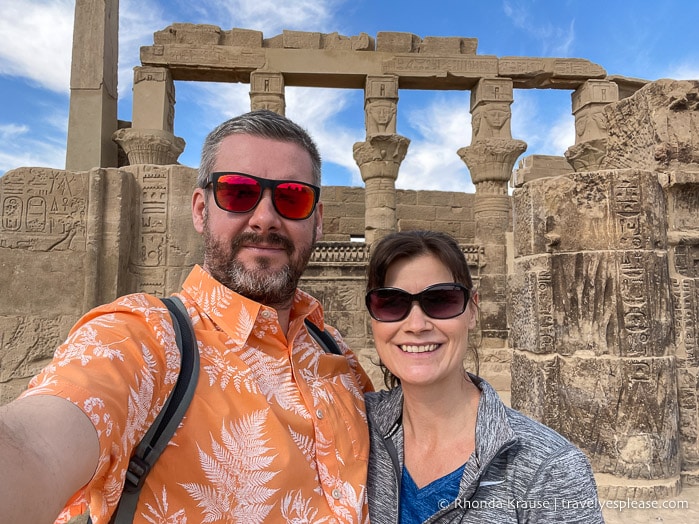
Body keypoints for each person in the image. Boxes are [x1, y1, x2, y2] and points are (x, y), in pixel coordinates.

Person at [0, 110, 373, 524]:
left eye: (292, 197)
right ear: (200, 210)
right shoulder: (142, 338)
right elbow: (36, 444)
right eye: (237, 192)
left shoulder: (337, 353)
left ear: (317, 221)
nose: (265, 217)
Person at [364, 230, 604, 523]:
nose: (416, 324)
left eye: (441, 300)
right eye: (390, 303)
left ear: (473, 310)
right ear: (372, 317)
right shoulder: (348, 426)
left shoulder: (551, 468)